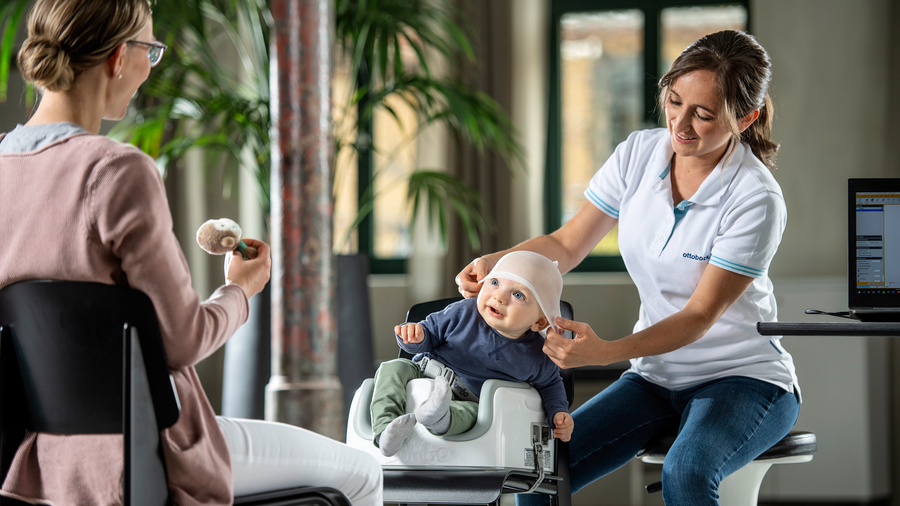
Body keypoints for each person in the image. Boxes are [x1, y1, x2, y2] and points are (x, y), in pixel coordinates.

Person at [0, 1, 382, 505]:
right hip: (150, 453)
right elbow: (182, 341)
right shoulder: (116, 171)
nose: (149, 66)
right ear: (119, 57)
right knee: (362, 470)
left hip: (34, 464)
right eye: (151, 51)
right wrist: (240, 289)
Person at [456, 30, 799, 505]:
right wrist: (498, 263)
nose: (681, 124)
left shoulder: (755, 198)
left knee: (687, 472)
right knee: (538, 471)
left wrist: (607, 351)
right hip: (656, 378)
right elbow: (565, 244)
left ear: (745, 118)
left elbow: (699, 316)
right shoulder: (640, 153)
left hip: (743, 379)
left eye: (703, 114)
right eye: (674, 102)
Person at [373, 251, 574, 457]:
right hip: (424, 374)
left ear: (539, 322)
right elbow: (428, 333)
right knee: (393, 368)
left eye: (518, 295)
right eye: (495, 282)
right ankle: (386, 431)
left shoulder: (537, 355)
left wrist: (559, 413)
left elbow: (551, 385)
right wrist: (414, 336)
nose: (500, 297)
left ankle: (439, 418)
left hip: (473, 402)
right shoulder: (463, 312)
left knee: (477, 416)